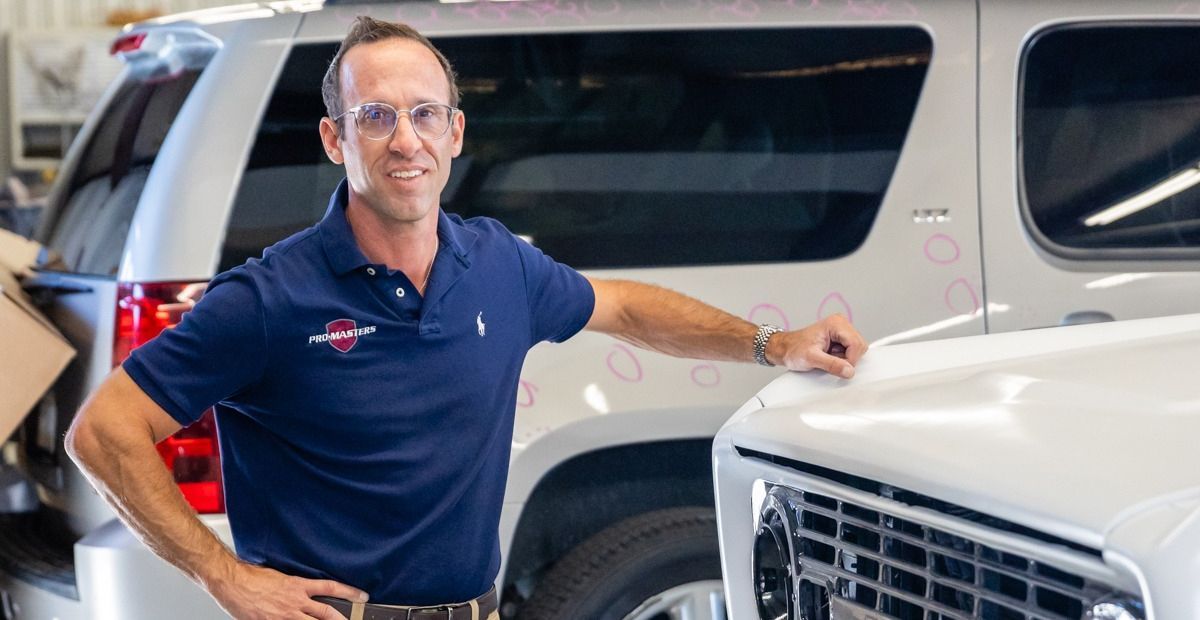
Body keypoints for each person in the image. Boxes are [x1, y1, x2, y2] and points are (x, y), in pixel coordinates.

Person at [65, 16, 868, 620]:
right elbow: (103, 430)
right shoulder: (270, 299)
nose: (403, 140)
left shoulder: (497, 264)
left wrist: (773, 344)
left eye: (423, 114)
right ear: (334, 140)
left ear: (455, 132)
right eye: (374, 117)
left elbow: (622, 306)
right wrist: (225, 575)